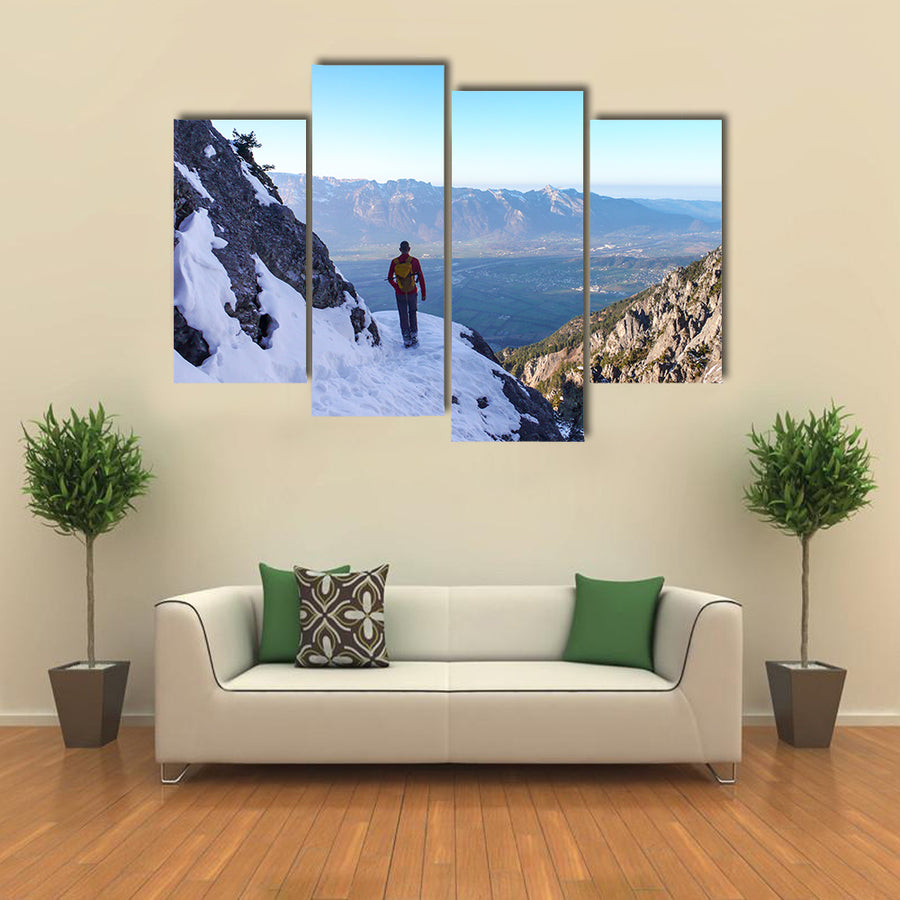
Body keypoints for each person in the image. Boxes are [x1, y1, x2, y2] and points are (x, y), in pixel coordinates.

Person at [387, 240, 426, 348]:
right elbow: (421, 277)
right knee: (412, 312)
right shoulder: (414, 261)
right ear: (409, 249)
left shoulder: (394, 262)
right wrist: (423, 293)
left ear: (400, 250)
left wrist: (397, 287)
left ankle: (406, 340)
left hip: (400, 293)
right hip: (412, 292)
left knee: (403, 315)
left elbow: (390, 278)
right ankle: (414, 336)